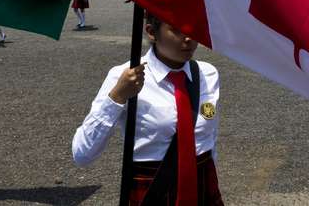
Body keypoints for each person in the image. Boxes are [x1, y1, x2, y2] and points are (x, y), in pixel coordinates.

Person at [72, 14, 222, 205]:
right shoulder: (125, 77)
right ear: (151, 32)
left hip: (203, 186)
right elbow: (82, 154)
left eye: (193, 27)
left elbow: (209, 137)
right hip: (152, 189)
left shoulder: (208, 74)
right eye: (176, 29)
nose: (189, 37)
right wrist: (117, 96)